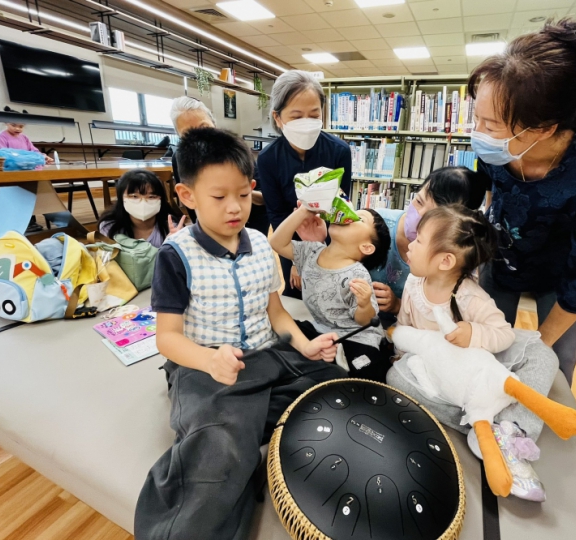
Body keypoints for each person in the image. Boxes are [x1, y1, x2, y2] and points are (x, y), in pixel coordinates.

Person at [134, 128, 345, 540]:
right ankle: (236, 434)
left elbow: (277, 314)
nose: (235, 207)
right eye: (219, 197)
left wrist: (305, 344)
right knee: (221, 449)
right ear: (188, 195)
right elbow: (167, 339)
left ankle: (248, 421)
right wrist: (209, 359)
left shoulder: (261, 246)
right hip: (206, 367)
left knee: (337, 387)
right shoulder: (175, 256)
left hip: (267, 356)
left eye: (244, 195)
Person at [468, 18, 576, 385]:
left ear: (543, 128)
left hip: (562, 279)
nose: (477, 134)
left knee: (553, 365)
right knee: (484, 348)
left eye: (490, 125)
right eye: (475, 118)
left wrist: (537, 348)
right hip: (504, 260)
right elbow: (490, 191)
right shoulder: (498, 151)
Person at [390, 204, 557, 502]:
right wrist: (401, 352)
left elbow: (504, 334)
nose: (410, 245)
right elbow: (404, 325)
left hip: (478, 362)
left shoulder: (470, 295)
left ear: (445, 261)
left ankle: (513, 432)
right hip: (438, 373)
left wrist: (472, 334)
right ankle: (482, 426)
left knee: (541, 352)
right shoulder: (414, 283)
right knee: (395, 377)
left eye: (419, 241)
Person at [257, 70, 352, 299]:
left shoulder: (339, 151)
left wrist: (323, 251)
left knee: (335, 298)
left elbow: (340, 207)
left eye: (313, 114)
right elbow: (277, 214)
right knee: (297, 299)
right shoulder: (268, 159)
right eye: (297, 116)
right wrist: (297, 259)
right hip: (289, 246)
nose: (306, 123)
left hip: (331, 243)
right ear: (278, 118)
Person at [270, 205, 392, 381]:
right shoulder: (310, 251)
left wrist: (364, 303)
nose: (348, 215)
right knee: (283, 338)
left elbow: (365, 321)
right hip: (320, 329)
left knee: (367, 369)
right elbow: (276, 242)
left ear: (366, 247)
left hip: (356, 337)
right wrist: (304, 211)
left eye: (360, 218)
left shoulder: (357, 273)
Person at [370, 166, 488, 318]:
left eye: (434, 215)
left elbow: (444, 317)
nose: (420, 215)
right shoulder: (375, 224)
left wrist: (397, 305)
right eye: (419, 201)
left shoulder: (454, 259)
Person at [168, 96, 269, 235]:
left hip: (251, 222)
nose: (201, 138)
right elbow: (192, 202)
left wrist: (239, 192)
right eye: (189, 134)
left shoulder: (236, 150)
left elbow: (264, 196)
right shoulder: (180, 157)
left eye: (204, 127)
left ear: (214, 123)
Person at [97, 169, 184, 248]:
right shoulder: (110, 227)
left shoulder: (171, 227)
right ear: (121, 198)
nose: (143, 203)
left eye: (151, 197)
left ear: (161, 200)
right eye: (134, 196)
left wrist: (170, 246)